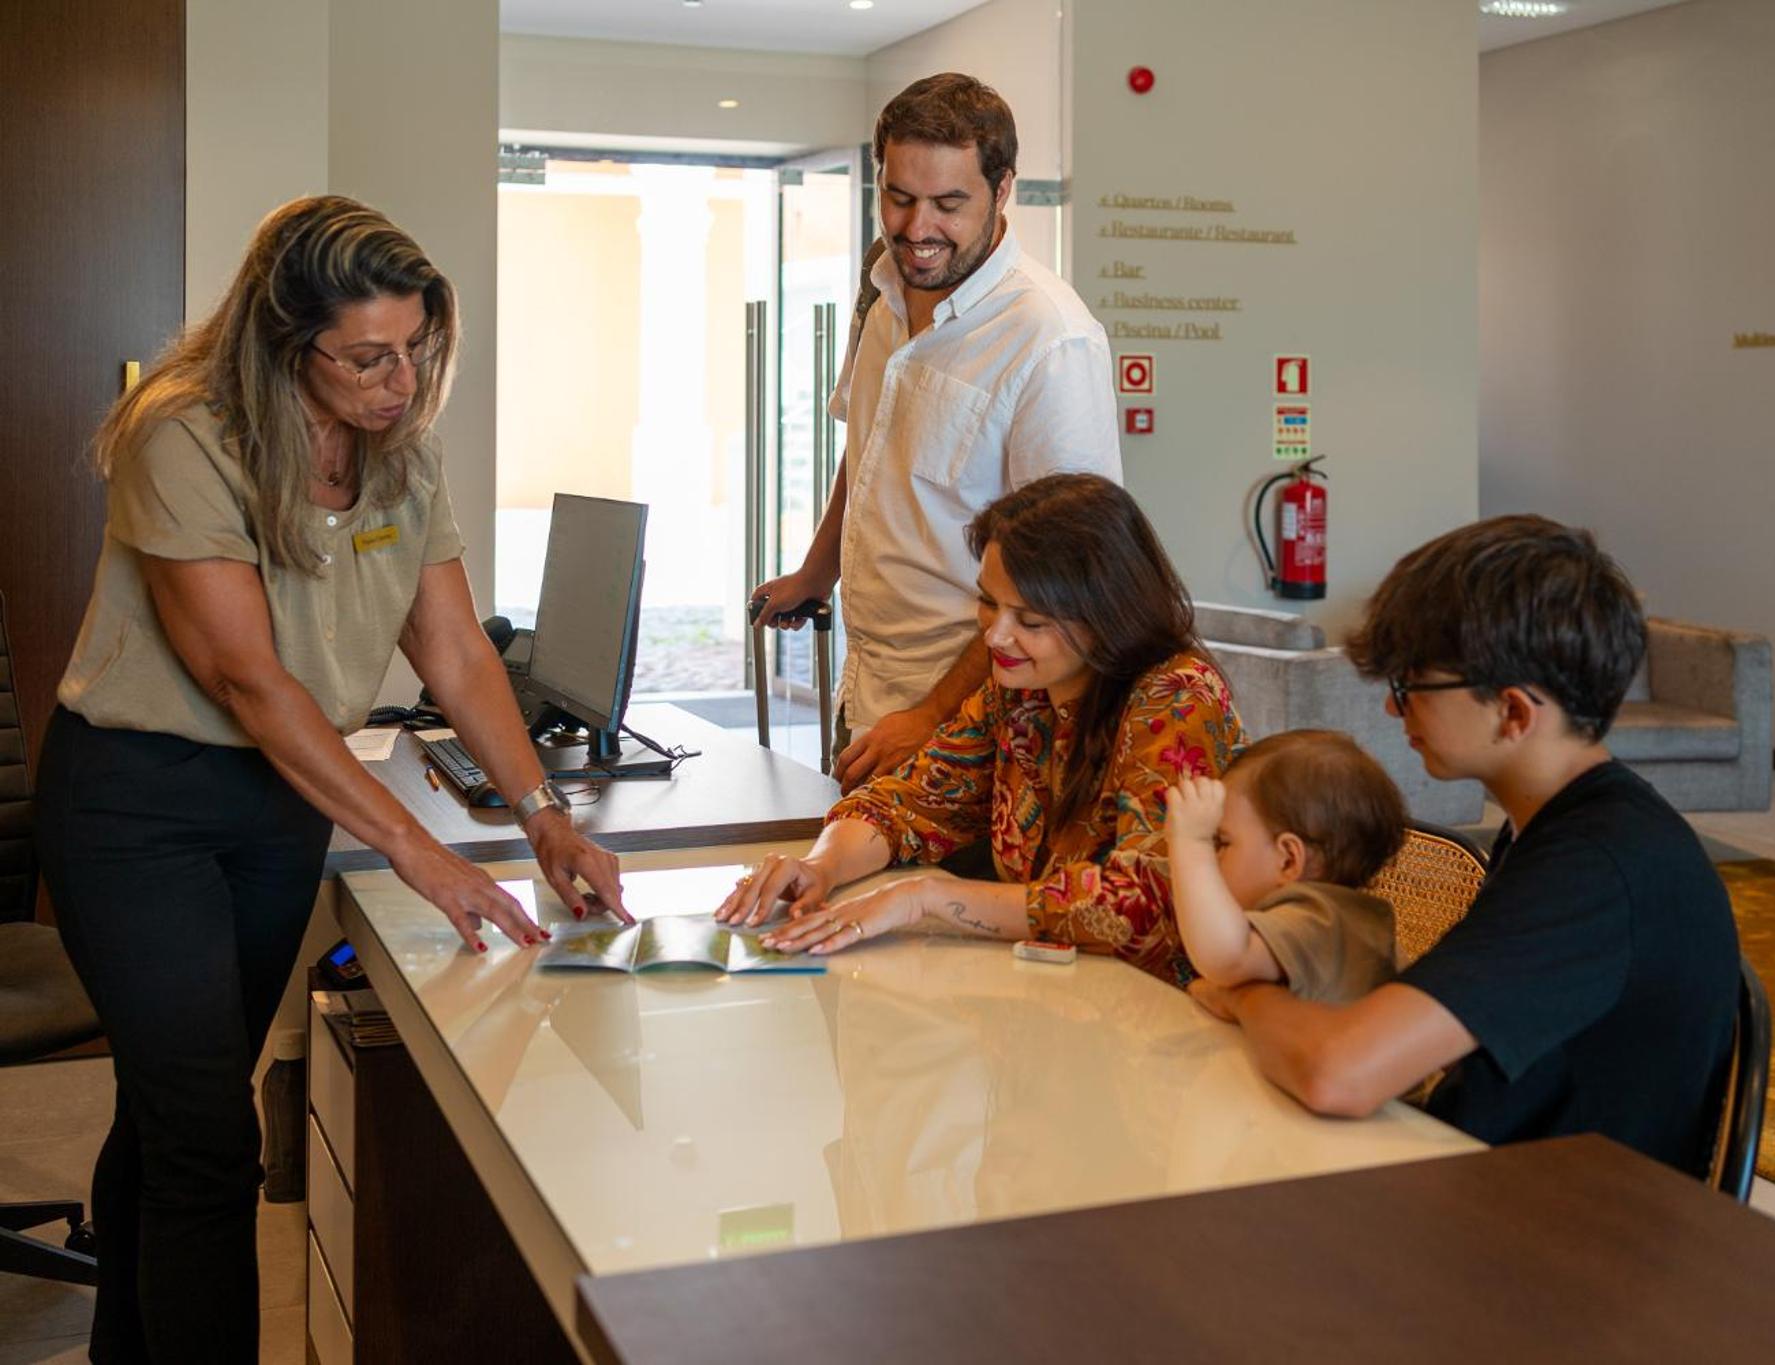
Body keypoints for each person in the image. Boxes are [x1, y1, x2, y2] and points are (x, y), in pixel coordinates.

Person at [33, 195, 628, 1362]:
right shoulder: (182, 436)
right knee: (210, 1142)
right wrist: (417, 850)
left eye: (414, 348)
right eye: (366, 357)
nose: (399, 382)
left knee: (172, 1115)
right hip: (139, 806)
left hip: (277, 805)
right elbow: (246, 679)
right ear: (284, 340)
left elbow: (453, 650)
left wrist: (543, 815)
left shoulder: (401, 454)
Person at [1189, 515, 1741, 1178]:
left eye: (1411, 686)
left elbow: (1337, 1072)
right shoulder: (1555, 825)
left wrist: (1247, 995)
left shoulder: (1599, 866)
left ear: (1514, 712)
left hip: (1558, 1219)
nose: (1394, 709)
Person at [716, 474, 1245, 985]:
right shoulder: (1020, 691)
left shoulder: (1176, 700)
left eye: (1030, 622)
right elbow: (911, 800)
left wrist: (924, 899)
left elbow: (1145, 906)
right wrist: (821, 867)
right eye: (989, 602)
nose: (995, 636)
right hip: (1054, 992)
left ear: (1106, 616)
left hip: (1160, 1010)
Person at [750, 72, 1120, 792]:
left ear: (1002, 190)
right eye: (899, 197)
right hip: (866, 692)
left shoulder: (1049, 338)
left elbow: (1067, 575)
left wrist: (932, 714)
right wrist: (817, 572)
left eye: (949, 204)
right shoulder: (883, 288)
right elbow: (870, 446)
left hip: (972, 726)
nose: (917, 229)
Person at [1164, 730, 1407, 1004]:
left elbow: (1226, 959)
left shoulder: (1319, 920)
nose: (1213, 856)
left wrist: (1192, 842)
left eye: (1223, 842)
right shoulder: (1329, 917)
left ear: (1288, 861)